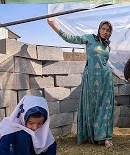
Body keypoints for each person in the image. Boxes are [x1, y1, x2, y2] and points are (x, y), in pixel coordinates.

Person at [47, 18, 115, 147]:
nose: (105, 32)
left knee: (105, 108)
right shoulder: (89, 39)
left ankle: (105, 137)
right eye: (103, 29)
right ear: (99, 29)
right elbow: (69, 38)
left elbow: (105, 63)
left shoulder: (107, 47)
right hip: (91, 79)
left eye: (108, 30)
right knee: (90, 106)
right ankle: (91, 135)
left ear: (110, 33)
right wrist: (53, 26)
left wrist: (117, 74)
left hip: (106, 79)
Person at [0, 96, 67, 155]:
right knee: (23, 135)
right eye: (31, 123)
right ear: (23, 117)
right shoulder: (13, 127)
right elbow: (1, 149)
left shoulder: (43, 129)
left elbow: (52, 145)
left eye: (40, 123)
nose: (35, 127)